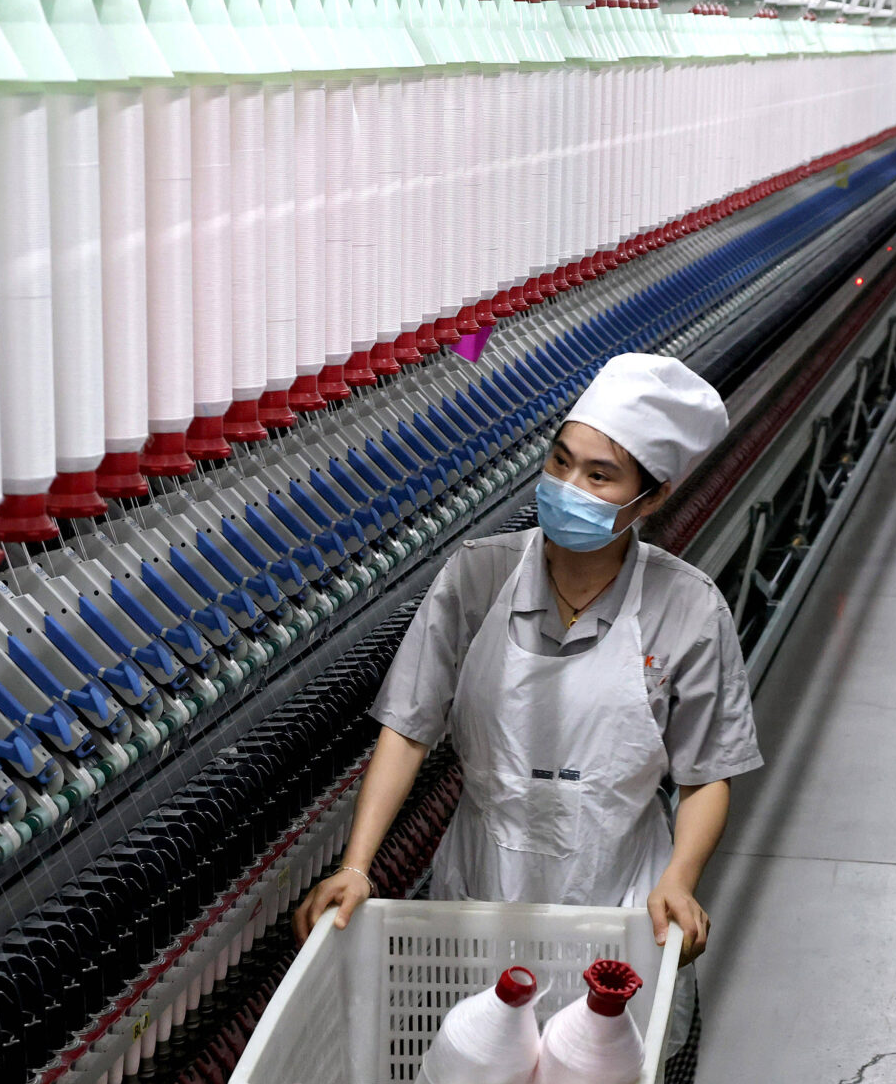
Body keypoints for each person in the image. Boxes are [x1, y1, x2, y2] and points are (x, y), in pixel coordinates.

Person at [295, 353, 762, 965]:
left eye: (600, 477)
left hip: (619, 897)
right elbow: (408, 728)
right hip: (480, 893)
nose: (568, 489)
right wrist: (357, 864)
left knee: (605, 1051)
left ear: (650, 500)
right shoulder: (479, 574)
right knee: (476, 1044)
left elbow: (706, 774)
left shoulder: (689, 607)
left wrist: (679, 880)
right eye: (560, 462)